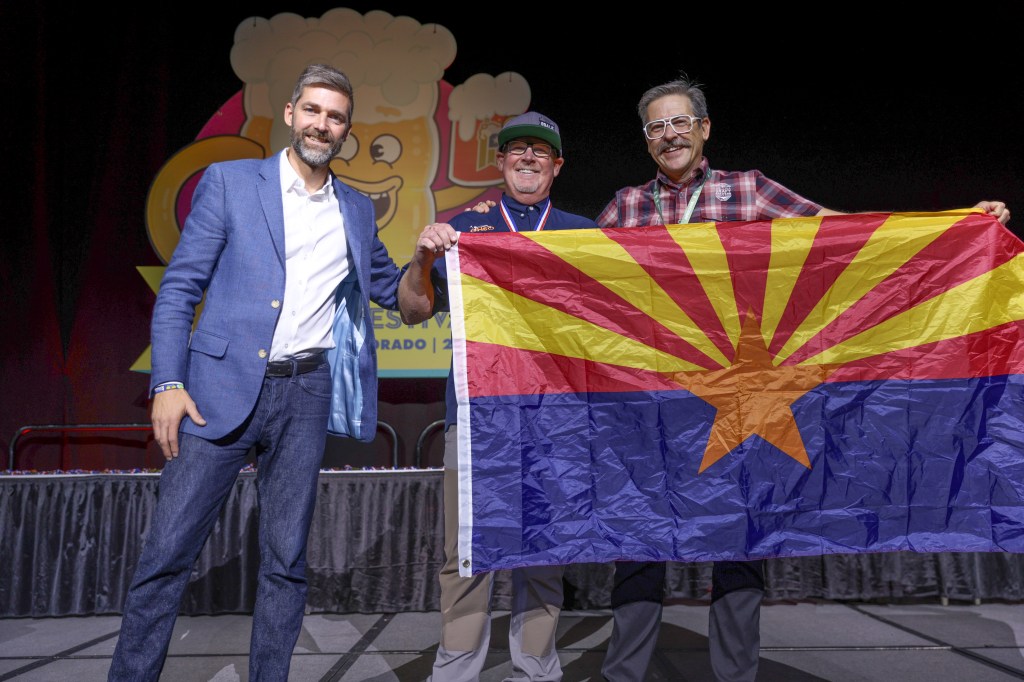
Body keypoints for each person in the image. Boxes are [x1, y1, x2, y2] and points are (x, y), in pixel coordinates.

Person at [595, 74, 1011, 682]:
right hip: (652, 403)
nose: (669, 136)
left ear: (704, 129)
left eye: (680, 122)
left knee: (738, 541)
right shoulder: (626, 206)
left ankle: (735, 675)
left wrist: (954, 226)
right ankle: (623, 675)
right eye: (656, 127)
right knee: (640, 543)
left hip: (737, 395)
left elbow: (839, 232)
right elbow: (572, 283)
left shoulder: (748, 190)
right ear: (646, 140)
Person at [108, 63, 439, 682]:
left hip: (306, 394)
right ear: (290, 114)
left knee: (285, 561)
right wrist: (168, 384)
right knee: (165, 556)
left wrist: (421, 257)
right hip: (214, 394)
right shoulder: (231, 183)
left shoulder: (357, 209)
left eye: (335, 116)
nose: (322, 123)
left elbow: (406, 302)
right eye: (312, 110)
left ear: (346, 130)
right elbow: (180, 289)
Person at [399, 112, 598, 681]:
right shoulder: (462, 229)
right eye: (517, 150)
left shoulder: (583, 234)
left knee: (546, 549)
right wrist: (423, 259)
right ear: (501, 162)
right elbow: (412, 312)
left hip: (557, 419)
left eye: (541, 151)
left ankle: (536, 665)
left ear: (557, 165)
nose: (528, 158)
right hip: (478, 416)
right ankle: (457, 666)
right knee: (467, 549)